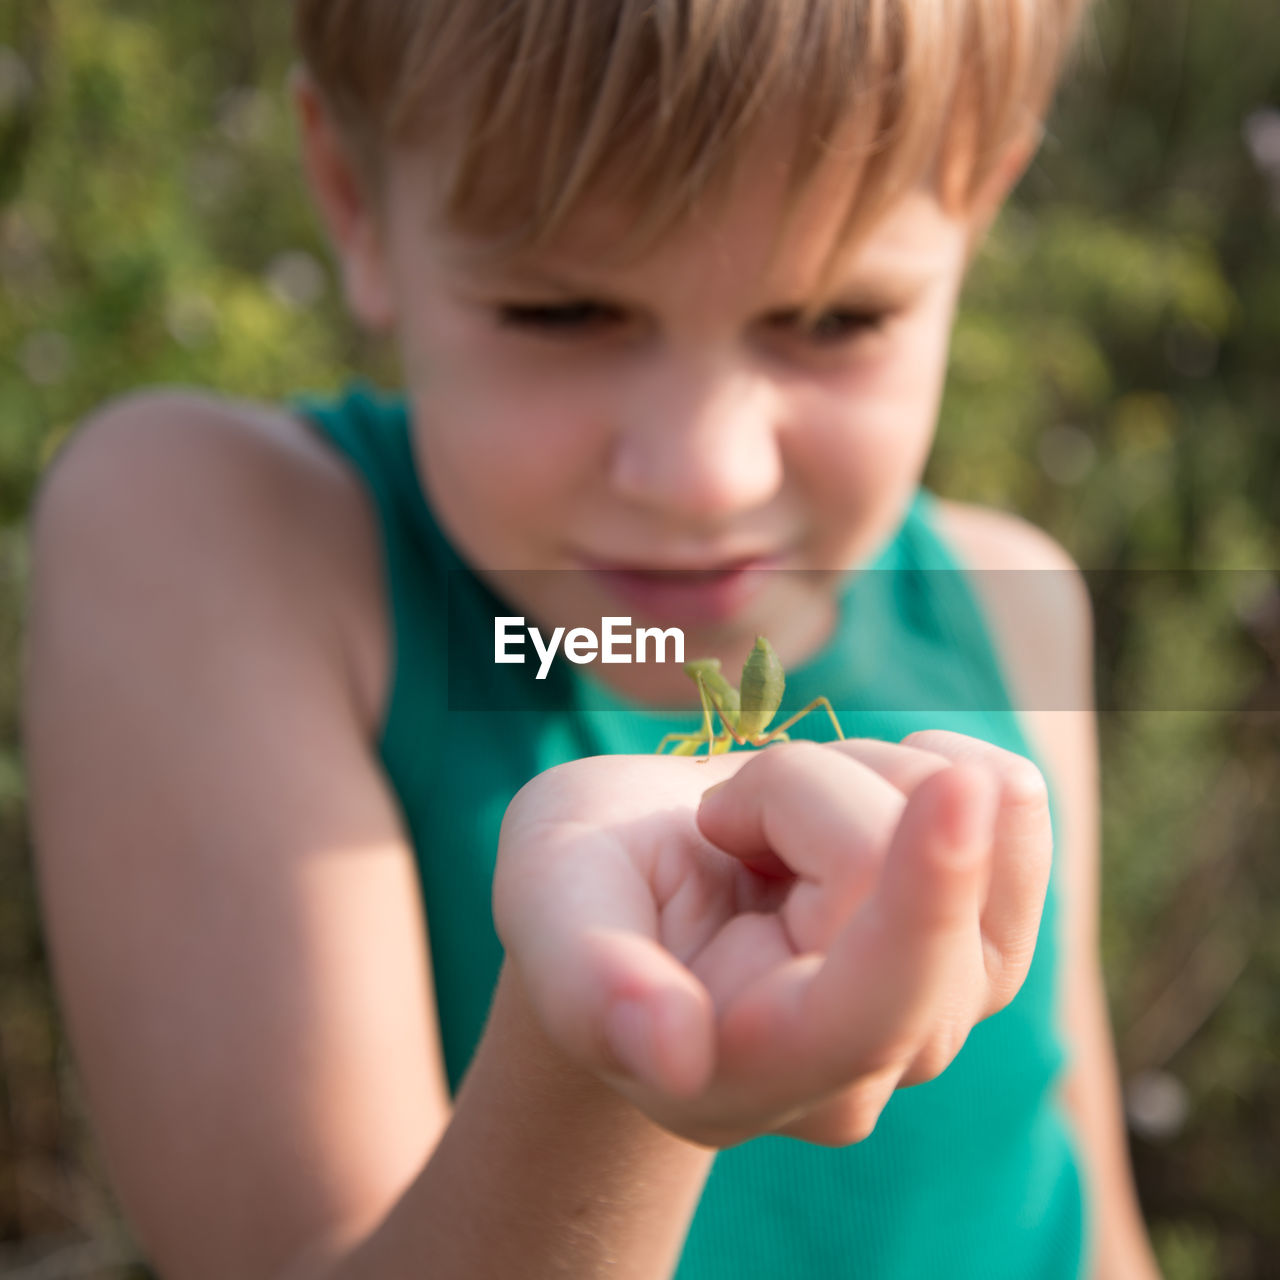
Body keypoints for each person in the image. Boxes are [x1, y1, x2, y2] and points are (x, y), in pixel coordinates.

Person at [21, 1, 1166, 1277]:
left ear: (980, 212)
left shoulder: (1012, 602)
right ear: (351, 198)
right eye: (561, 313)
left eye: (836, 319)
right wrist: (608, 1068)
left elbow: (1087, 1215)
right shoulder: (217, 532)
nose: (703, 476)